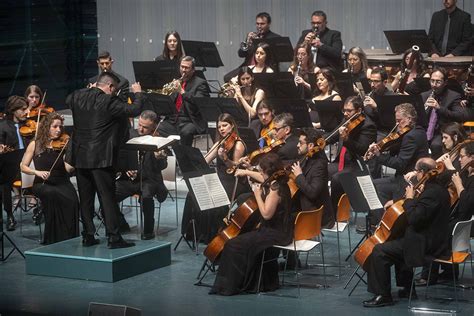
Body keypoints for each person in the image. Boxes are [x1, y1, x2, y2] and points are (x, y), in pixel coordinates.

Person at [67, 72, 144, 249]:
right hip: (101, 158)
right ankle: (114, 238)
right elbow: (134, 110)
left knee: (85, 198)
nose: (114, 93)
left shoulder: (78, 96)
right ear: (109, 87)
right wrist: (138, 93)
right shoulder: (109, 101)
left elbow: (68, 99)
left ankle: (87, 235)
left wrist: (88, 90)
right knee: (107, 197)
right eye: (114, 90)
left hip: (80, 157)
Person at [363, 157, 450, 307]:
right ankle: (407, 288)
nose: (415, 174)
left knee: (379, 250)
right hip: (433, 239)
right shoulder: (438, 189)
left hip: (428, 245)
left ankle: (383, 295)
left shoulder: (431, 193)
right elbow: (423, 212)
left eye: (417, 171)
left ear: (422, 172)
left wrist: (409, 198)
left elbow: (415, 218)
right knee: (398, 241)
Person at [209, 153, 293, 295]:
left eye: (261, 172)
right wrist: (248, 172)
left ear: (269, 172)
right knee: (239, 242)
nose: (260, 174)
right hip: (272, 230)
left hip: (276, 233)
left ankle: (230, 286)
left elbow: (266, 214)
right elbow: (262, 180)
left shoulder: (275, 188)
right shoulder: (277, 181)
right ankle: (243, 281)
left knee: (233, 245)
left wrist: (257, 195)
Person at [181, 113, 250, 243]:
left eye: (225, 125)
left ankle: (211, 236)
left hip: (234, 182)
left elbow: (234, 169)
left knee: (212, 197)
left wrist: (225, 158)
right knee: (193, 193)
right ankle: (193, 232)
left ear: (232, 126)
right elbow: (205, 160)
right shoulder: (220, 143)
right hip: (220, 179)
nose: (222, 129)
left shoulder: (238, 144)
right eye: (219, 127)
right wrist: (192, 167)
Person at [19, 112, 79, 244]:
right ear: (47, 127)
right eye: (55, 127)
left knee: (73, 200)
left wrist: (72, 154)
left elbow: (68, 169)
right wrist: (37, 172)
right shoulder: (35, 144)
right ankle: (52, 239)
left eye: (60, 127)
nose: (58, 130)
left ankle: (69, 238)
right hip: (42, 183)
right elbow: (23, 166)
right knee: (52, 194)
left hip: (62, 181)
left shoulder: (63, 144)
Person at [367, 103, 429, 224]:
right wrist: (383, 147)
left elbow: (400, 163)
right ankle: (382, 218)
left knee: (373, 186)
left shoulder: (411, 136)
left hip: (408, 181)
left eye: (399, 121)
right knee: (374, 184)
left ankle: (384, 223)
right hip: (405, 177)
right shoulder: (418, 130)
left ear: (409, 119)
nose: (397, 124)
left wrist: (379, 155)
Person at [115, 110, 168, 240]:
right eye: (140, 125)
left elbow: (162, 167)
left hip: (149, 180)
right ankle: (121, 224)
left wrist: (159, 158)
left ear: (154, 127)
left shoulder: (159, 140)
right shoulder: (130, 134)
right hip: (130, 180)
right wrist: (125, 169)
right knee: (107, 193)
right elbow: (120, 157)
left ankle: (148, 230)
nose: (141, 129)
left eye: (145, 127)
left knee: (147, 196)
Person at [327, 96, 376, 221]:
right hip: (342, 161)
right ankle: (323, 210)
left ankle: (335, 215)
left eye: (349, 111)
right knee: (320, 168)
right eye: (344, 110)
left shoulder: (368, 126)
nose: (346, 113)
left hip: (357, 165)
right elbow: (333, 135)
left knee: (337, 178)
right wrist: (320, 141)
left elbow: (362, 150)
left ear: (359, 111)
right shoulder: (346, 119)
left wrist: (347, 139)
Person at [157, 56, 211, 146]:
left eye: (187, 67)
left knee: (185, 133)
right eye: (182, 67)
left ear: (193, 70)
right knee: (158, 128)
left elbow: (199, 102)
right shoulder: (177, 81)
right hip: (175, 120)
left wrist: (182, 92)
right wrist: (169, 94)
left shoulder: (200, 83)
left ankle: (183, 156)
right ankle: (167, 154)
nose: (184, 70)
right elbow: (170, 103)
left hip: (190, 120)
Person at [291, 128, 334, 227]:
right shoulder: (307, 157)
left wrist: (299, 176)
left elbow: (312, 192)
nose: (297, 145)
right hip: (305, 208)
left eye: (300, 143)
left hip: (316, 216)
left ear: (310, 146)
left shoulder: (319, 165)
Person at [421, 67, 465, 158]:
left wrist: (439, 108)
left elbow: (459, 116)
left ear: (445, 82)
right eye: (432, 81)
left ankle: (437, 170)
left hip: (442, 131)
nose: (434, 84)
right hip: (424, 130)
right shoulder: (424, 95)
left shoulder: (453, 96)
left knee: (436, 145)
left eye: (438, 81)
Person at [0, 96, 28, 231]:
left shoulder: (28, 125)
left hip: (28, 165)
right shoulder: (3, 126)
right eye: (22, 110)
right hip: (11, 166)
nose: (26, 112)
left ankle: (41, 210)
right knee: (4, 182)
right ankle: (9, 214)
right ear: (13, 110)